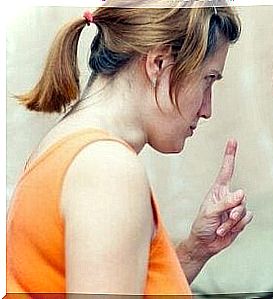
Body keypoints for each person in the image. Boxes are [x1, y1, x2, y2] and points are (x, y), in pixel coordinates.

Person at [6, 0, 253, 295]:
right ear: (158, 64)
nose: (207, 109)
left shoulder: (67, 147)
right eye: (208, 79)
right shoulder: (107, 170)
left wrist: (194, 251)